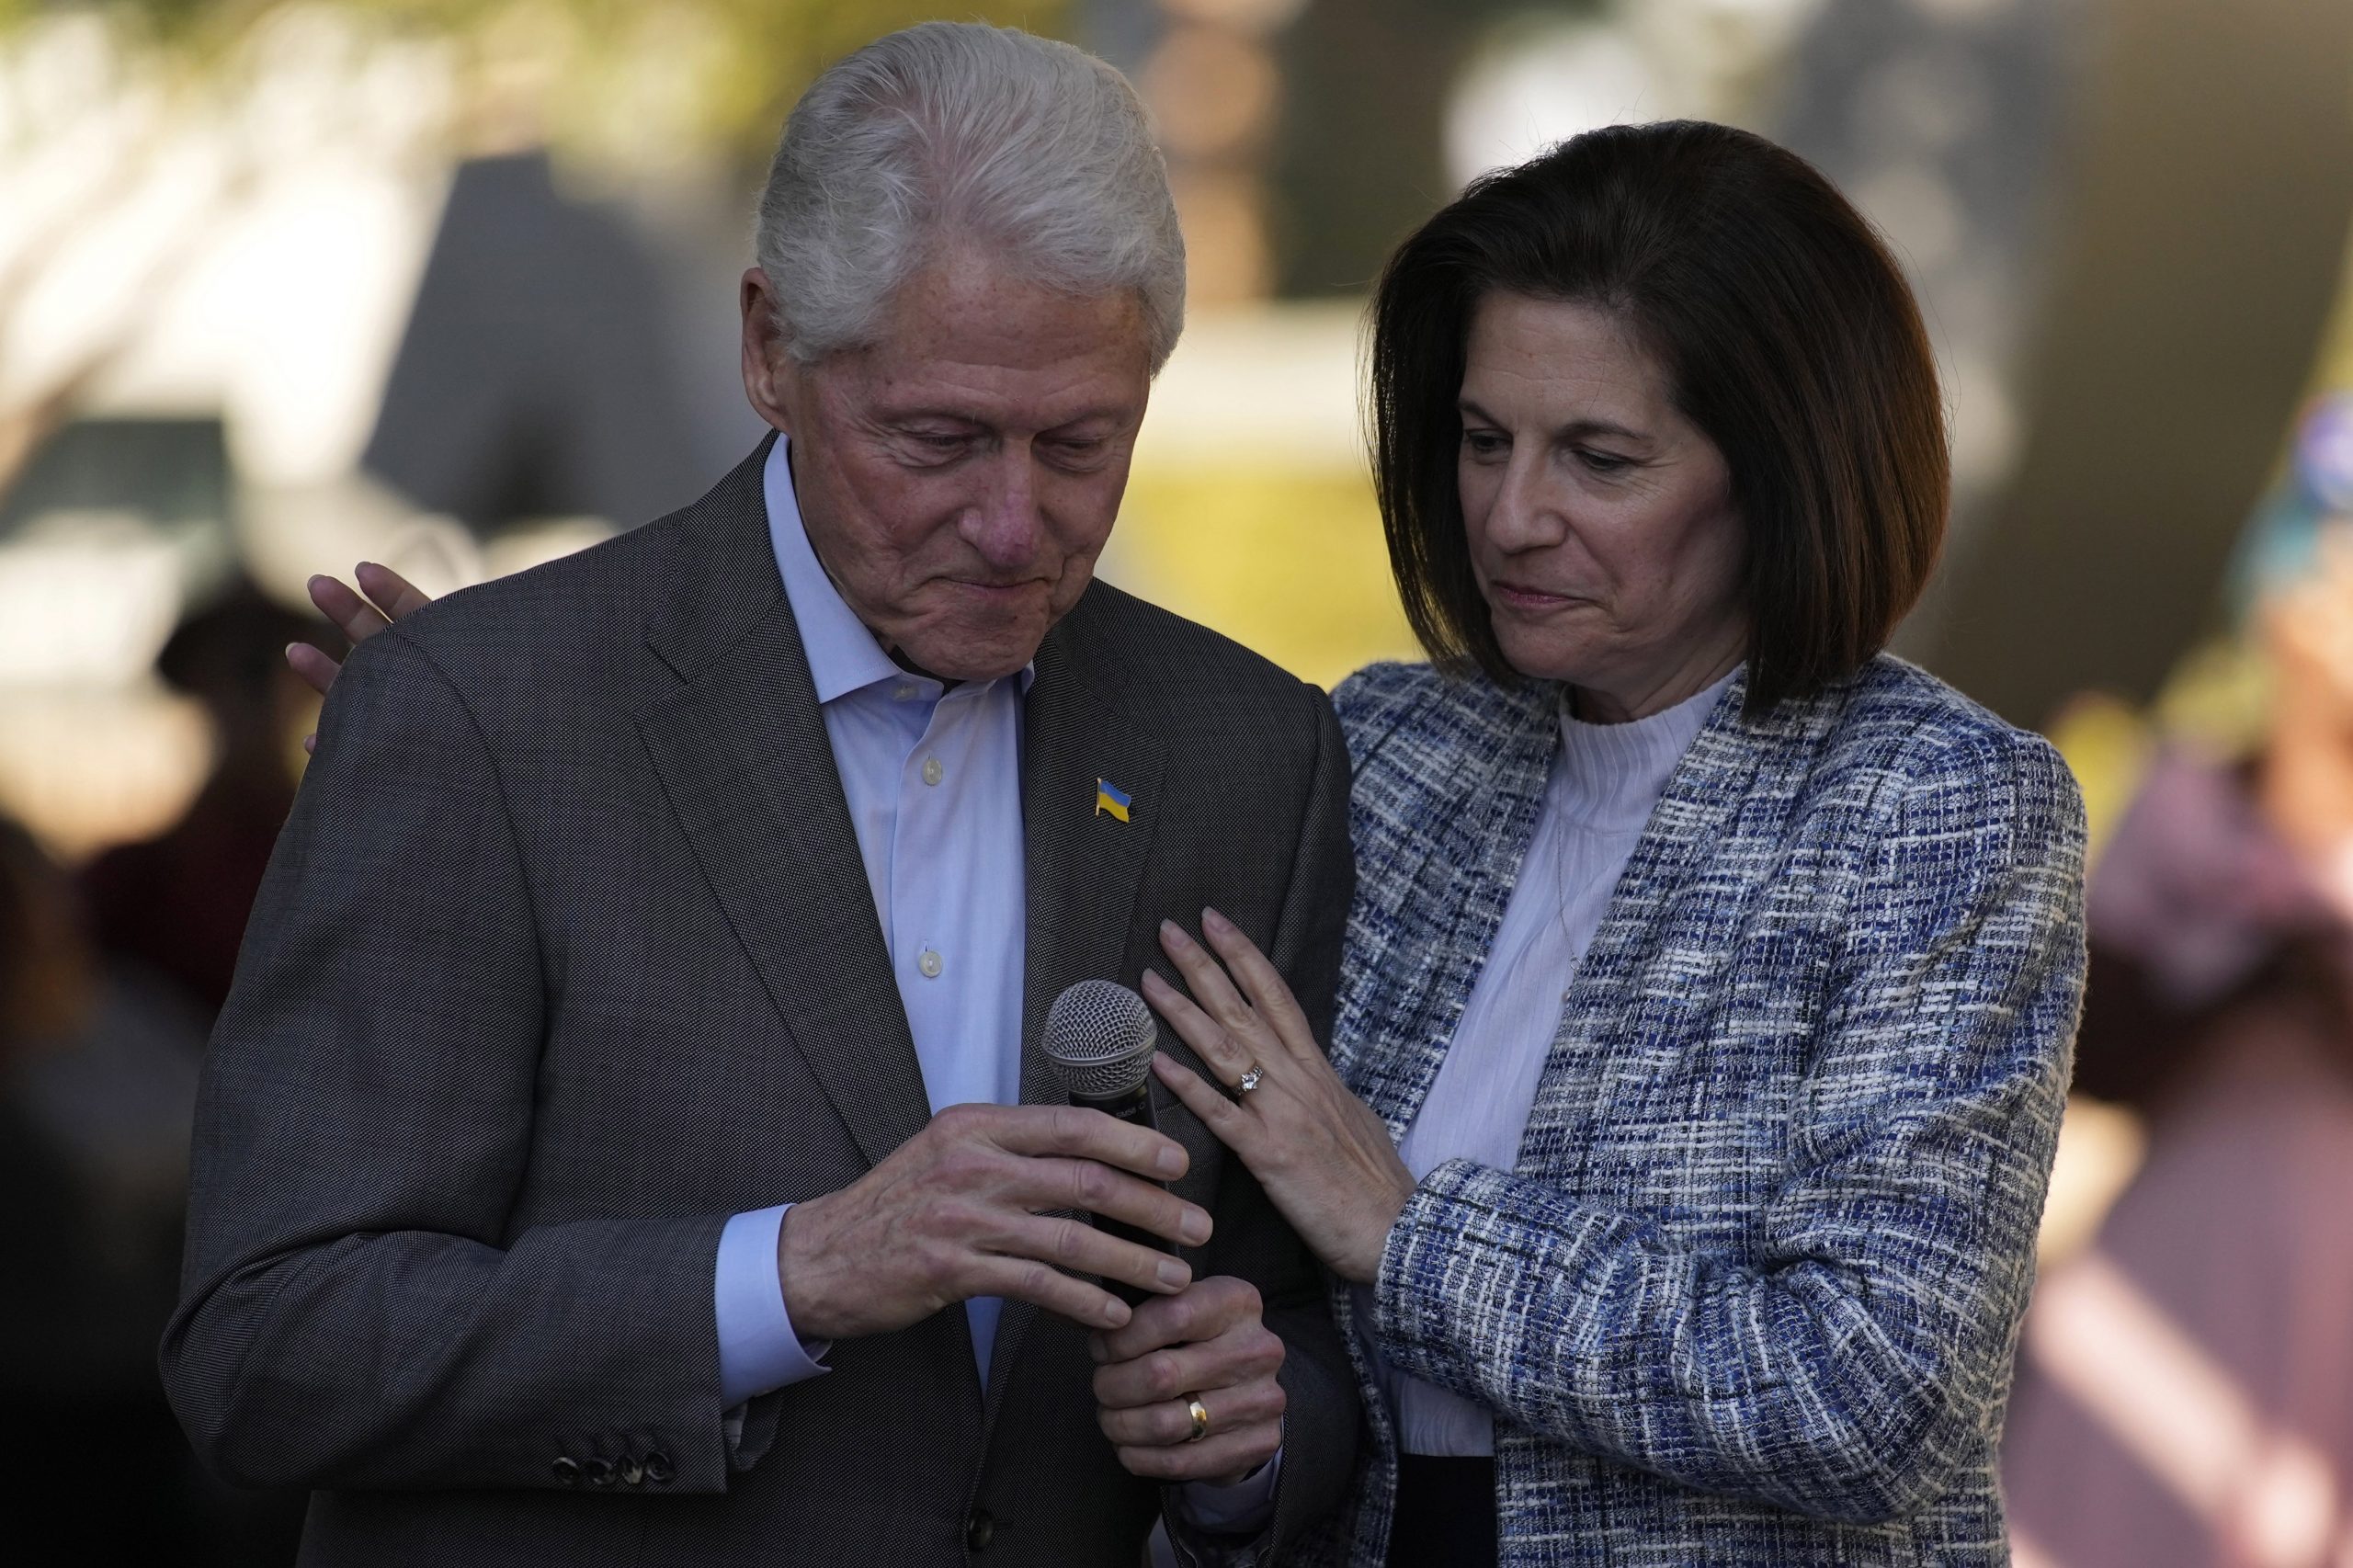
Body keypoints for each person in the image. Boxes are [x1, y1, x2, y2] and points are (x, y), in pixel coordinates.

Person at [162, 24, 1357, 1567]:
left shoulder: (1250, 748)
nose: (1015, 524)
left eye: (1083, 443)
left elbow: (1312, 1334)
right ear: (768, 351)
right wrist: (785, 1278)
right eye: (937, 440)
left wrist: (1251, 1444)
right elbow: (269, 1347)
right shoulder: (478, 711)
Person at [1133, 121, 2088, 1565]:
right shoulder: (1392, 748)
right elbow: (1272, 1274)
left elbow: (1872, 1391)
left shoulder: (1937, 805)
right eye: (1481, 439)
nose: (1513, 517)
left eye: (1600, 457)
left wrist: (1411, 1231)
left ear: (1779, 469)